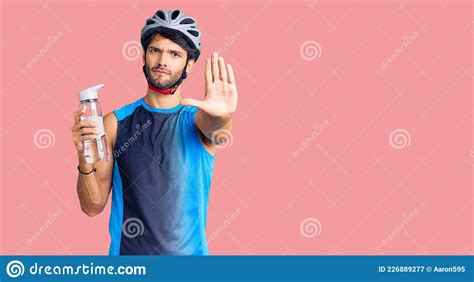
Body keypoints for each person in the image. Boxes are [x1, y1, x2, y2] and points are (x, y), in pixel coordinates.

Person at [70, 9, 238, 255]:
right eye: (155, 50)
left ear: (189, 65)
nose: (163, 61)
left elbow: (216, 130)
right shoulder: (115, 124)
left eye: (175, 54)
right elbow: (92, 206)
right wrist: (83, 154)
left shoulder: (197, 120)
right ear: (144, 56)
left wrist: (222, 115)